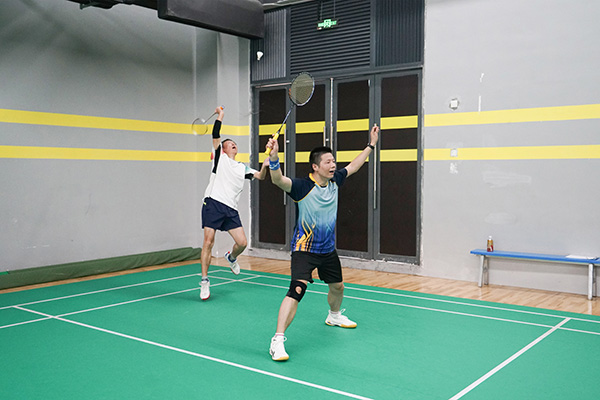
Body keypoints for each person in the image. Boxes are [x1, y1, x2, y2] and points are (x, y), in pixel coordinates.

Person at [265, 123, 380, 361]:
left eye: (333, 161)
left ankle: (334, 315)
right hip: (304, 249)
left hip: (327, 250)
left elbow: (354, 166)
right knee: (297, 290)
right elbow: (278, 180)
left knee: (338, 287)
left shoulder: (335, 181)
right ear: (315, 166)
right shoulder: (302, 187)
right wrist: (274, 157)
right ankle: (277, 340)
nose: (333, 165)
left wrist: (371, 145)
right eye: (328, 162)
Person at [200, 107, 268, 300]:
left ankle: (231, 257)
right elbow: (215, 134)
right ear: (223, 149)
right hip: (213, 203)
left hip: (230, 208)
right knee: (208, 241)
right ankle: (204, 281)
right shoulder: (219, 158)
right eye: (230, 144)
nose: (233, 145)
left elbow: (260, 176)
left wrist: (265, 165)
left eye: (235, 144)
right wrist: (220, 116)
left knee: (242, 243)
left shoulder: (242, 168)